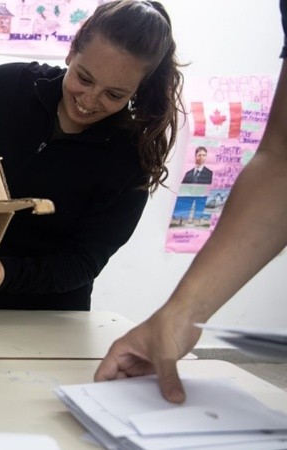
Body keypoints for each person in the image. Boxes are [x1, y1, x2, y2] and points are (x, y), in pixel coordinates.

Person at [95, 0, 287, 404]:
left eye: (113, 93)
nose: (91, 99)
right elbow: (282, 159)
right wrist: (181, 312)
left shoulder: (130, 152)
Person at [0, 0, 184, 311]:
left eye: (114, 95)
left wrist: (11, 272)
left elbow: (84, 260)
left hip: (49, 314)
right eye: (83, 78)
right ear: (72, 51)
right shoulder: (12, 86)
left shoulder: (132, 158)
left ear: (137, 90)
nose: (89, 101)